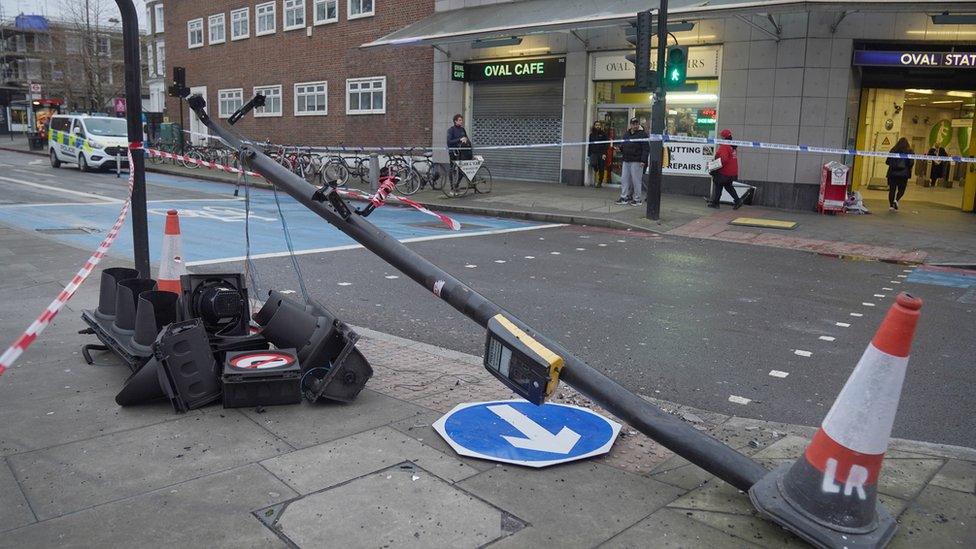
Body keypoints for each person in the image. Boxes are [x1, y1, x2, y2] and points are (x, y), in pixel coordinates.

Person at [614, 117, 649, 205]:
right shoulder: (627, 134)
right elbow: (624, 145)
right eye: (633, 124)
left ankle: (637, 199)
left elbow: (646, 148)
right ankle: (624, 197)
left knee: (636, 181)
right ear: (630, 125)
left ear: (638, 124)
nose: (635, 125)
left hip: (636, 161)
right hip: (626, 160)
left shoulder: (642, 134)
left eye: (636, 124)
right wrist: (620, 148)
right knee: (624, 179)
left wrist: (643, 161)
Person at [708, 128, 743, 209]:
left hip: (725, 171)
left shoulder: (724, 146)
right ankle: (737, 200)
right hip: (732, 171)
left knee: (718, 183)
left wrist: (714, 167)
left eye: (721, 136)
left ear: (724, 138)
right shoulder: (732, 146)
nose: (720, 138)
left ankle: (716, 203)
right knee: (728, 185)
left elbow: (723, 159)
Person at [886, 137, 914, 211]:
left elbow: (887, 161)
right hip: (904, 174)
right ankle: (896, 200)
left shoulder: (893, 150)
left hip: (892, 173)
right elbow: (911, 163)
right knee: (901, 189)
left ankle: (891, 206)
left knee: (892, 190)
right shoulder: (910, 151)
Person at [587, 121, 609, 187]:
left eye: (599, 125)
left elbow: (606, 144)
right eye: (596, 125)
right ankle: (595, 168)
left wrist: (604, 153)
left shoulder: (604, 134)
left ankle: (600, 181)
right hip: (593, 153)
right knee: (592, 163)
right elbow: (590, 144)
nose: (597, 126)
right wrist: (589, 154)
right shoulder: (591, 135)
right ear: (594, 126)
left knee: (601, 168)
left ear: (600, 126)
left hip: (601, 153)